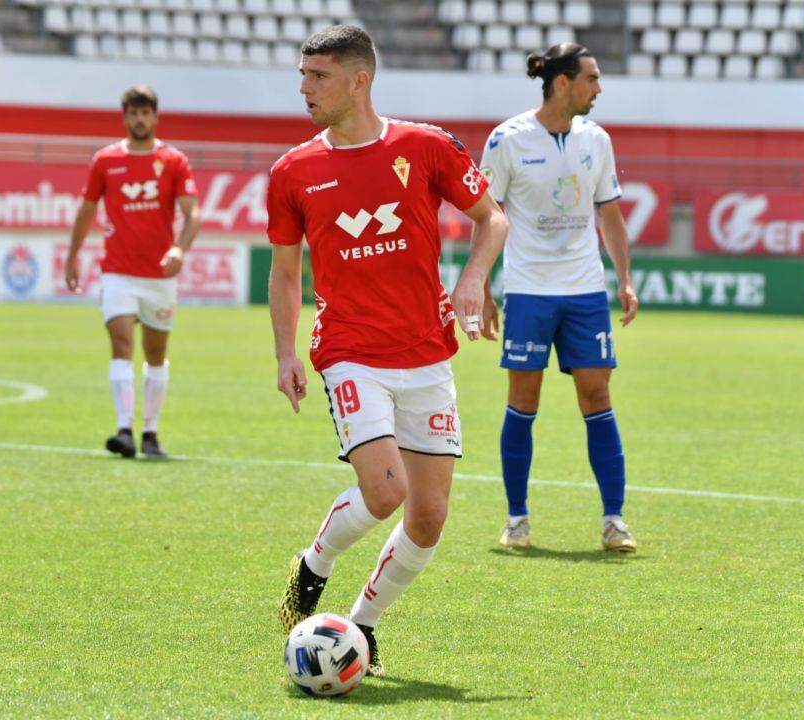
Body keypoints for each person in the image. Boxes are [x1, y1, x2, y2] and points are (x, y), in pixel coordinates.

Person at [269, 26, 508, 676]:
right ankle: (313, 564)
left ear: (359, 79)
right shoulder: (293, 171)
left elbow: (492, 217)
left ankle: (362, 630)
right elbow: (287, 273)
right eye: (304, 74)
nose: (304, 87)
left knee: (427, 516)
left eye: (318, 76)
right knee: (384, 491)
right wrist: (286, 353)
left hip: (427, 355)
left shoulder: (425, 146)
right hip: (349, 350)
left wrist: (473, 278)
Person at [478, 43, 640, 552]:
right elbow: (486, 216)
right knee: (523, 402)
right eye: (592, 78)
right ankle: (517, 519)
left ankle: (614, 521)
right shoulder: (506, 139)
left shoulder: (598, 139)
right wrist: (482, 286)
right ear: (563, 82)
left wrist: (625, 279)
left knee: (598, 398)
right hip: (528, 291)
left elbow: (610, 215)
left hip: (586, 291)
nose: (599, 88)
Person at [66, 85, 201, 460]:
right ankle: (124, 429)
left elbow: (193, 214)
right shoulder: (106, 160)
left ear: (155, 117)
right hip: (118, 272)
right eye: (133, 113)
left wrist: (179, 247)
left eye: (145, 113)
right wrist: (72, 256)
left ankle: (150, 432)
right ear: (124, 117)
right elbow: (86, 211)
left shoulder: (173, 161)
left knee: (155, 355)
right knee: (121, 344)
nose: (139, 120)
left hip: (159, 276)